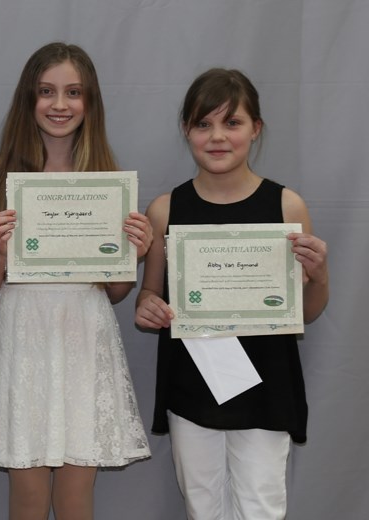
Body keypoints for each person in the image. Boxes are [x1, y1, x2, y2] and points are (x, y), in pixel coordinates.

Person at [0, 42, 152, 520]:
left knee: (74, 496)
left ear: (90, 103)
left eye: (73, 93)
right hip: (22, 331)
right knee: (25, 495)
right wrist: (0, 250)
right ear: (29, 99)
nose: (60, 105)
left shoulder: (107, 179)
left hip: (84, 333)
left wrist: (136, 256)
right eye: (46, 92)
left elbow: (116, 291)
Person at [134, 68, 329, 519]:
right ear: (187, 130)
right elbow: (148, 296)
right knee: (202, 505)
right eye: (204, 124)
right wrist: (149, 309)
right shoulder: (165, 210)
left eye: (233, 123)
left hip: (266, 386)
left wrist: (318, 276)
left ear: (256, 129)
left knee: (261, 506)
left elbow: (308, 311)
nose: (217, 136)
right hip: (193, 385)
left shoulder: (287, 206)